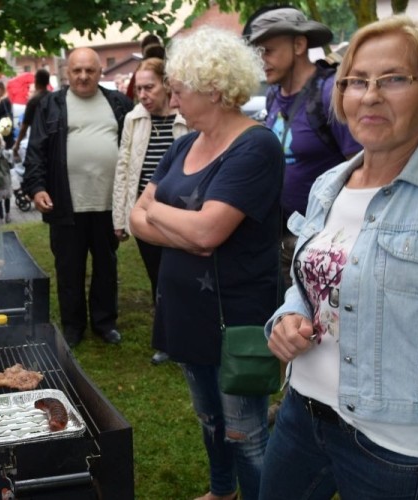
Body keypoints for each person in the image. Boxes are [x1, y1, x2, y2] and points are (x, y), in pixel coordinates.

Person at [261, 16, 418, 500]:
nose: (370, 95)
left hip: (394, 451)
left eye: (395, 79)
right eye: (356, 81)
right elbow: (311, 281)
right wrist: (290, 316)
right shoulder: (328, 184)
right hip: (301, 414)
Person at [129, 27, 282, 500]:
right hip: (187, 309)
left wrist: (159, 212)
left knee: (246, 430)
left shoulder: (256, 146)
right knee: (209, 417)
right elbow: (137, 217)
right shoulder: (184, 143)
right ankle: (223, 492)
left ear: (213, 90)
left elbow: (207, 232)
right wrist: (176, 224)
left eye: (179, 91)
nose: (172, 101)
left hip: (235, 315)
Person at [23, 47, 133, 347]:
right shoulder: (51, 105)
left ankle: (104, 322)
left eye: (90, 70)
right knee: (69, 268)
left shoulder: (119, 103)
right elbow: (36, 152)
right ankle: (73, 327)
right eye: (77, 70)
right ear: (66, 73)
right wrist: (37, 187)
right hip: (64, 204)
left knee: (106, 267)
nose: (83, 76)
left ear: (100, 72)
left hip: (109, 204)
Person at [246, 7, 361, 290]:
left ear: (299, 45)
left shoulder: (330, 93)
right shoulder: (273, 95)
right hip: (279, 236)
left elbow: (361, 167)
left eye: (268, 51)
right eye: (257, 52)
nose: (261, 61)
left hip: (323, 241)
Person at [111, 57, 188, 365]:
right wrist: (120, 217)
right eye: (139, 88)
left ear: (166, 85)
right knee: (158, 279)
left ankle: (188, 336)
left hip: (181, 214)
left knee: (180, 276)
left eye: (149, 87)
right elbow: (124, 168)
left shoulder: (186, 117)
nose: (143, 95)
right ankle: (167, 342)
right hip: (146, 215)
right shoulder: (134, 119)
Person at [12, 68, 51, 160]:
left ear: (36, 80)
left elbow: (24, 127)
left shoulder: (33, 101)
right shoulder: (53, 98)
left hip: (38, 142)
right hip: (53, 141)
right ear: (48, 81)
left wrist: (17, 144)